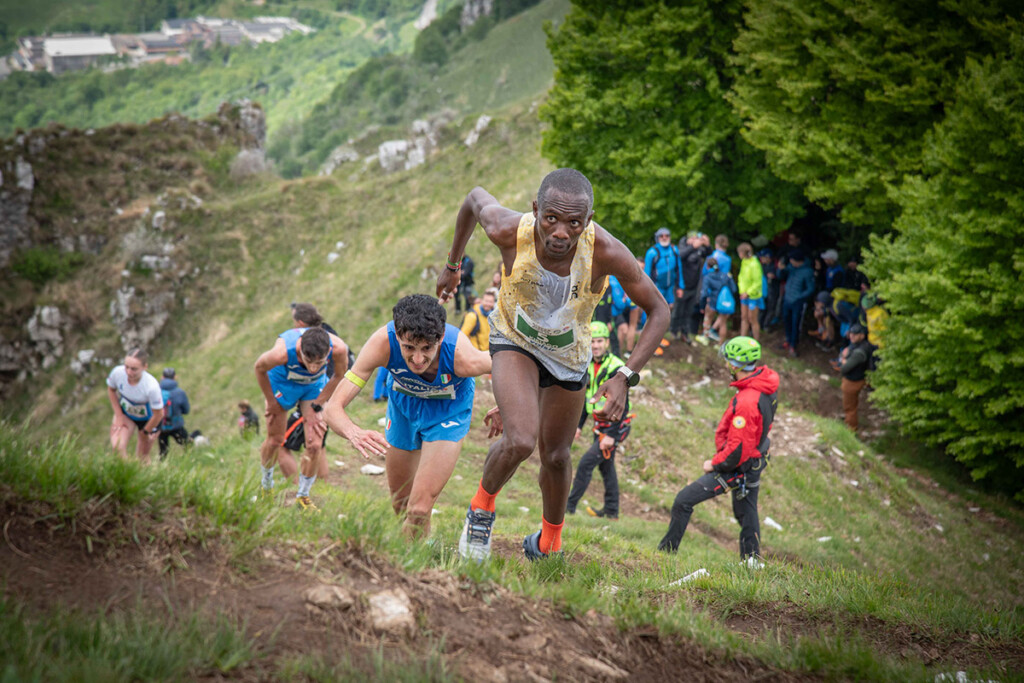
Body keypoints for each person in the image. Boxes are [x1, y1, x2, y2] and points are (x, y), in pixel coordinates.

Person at [436, 168, 670, 562]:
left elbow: (659, 310)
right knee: (521, 440)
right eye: (551, 219)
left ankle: (549, 543)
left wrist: (625, 376)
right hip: (515, 339)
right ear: (535, 210)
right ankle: (480, 512)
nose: (561, 232)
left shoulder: (605, 252)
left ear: (588, 222)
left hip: (568, 356)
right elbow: (474, 197)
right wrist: (453, 264)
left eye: (574, 223)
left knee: (557, 455)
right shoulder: (508, 230)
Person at [324, 295, 500, 538]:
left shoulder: (461, 356)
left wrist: (506, 403)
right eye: (409, 348)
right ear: (398, 336)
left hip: (447, 414)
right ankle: (417, 558)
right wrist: (354, 432)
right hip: (403, 410)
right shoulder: (382, 344)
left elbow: (510, 362)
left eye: (427, 348)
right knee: (401, 506)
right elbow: (332, 408)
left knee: (418, 509)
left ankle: (409, 568)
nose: (418, 360)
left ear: (439, 339)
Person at [658, 337, 778, 562]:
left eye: (727, 361)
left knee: (683, 501)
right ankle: (752, 564)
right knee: (746, 512)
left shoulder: (747, 401)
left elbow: (736, 450)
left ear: (735, 365)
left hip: (739, 465)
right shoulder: (765, 385)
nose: (725, 365)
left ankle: (665, 554)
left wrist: (714, 464)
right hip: (756, 457)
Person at [254, 324, 348, 511]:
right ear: (299, 349)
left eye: (319, 363)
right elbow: (259, 368)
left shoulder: (339, 349)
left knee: (314, 444)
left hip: (311, 388)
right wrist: (271, 401)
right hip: (282, 384)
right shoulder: (281, 353)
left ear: (328, 352)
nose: (313, 367)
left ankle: (303, 496)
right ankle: (266, 485)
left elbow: (340, 376)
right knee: (275, 440)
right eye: (307, 361)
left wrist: (317, 404)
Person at [566, 322, 632, 520]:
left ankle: (568, 507)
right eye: (592, 341)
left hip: (614, 425)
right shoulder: (586, 364)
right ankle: (612, 511)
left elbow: (624, 403)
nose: (595, 345)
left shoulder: (616, 367)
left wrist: (611, 435)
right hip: (599, 424)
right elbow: (589, 399)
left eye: (599, 341)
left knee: (586, 463)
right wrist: (578, 426)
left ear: (607, 342)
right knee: (606, 466)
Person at [106, 348, 164, 464]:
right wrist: (118, 416)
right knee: (117, 447)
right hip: (127, 414)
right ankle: (126, 474)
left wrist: (145, 432)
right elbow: (111, 390)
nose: (129, 372)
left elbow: (159, 414)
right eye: (126, 367)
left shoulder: (151, 386)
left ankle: (146, 479)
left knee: (142, 457)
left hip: (149, 420)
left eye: (134, 369)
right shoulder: (117, 373)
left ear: (144, 367)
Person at [673, 231, 711, 342]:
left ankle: (684, 333)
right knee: (677, 310)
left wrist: (707, 244)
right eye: (693, 238)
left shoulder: (699, 249)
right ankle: (673, 332)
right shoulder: (683, 246)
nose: (696, 240)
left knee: (688, 312)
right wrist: (692, 247)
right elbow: (680, 255)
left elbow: (708, 253)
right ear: (689, 239)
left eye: (697, 238)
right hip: (681, 286)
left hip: (694, 286)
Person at [836, 323, 873, 432]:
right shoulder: (860, 345)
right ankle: (850, 422)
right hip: (855, 378)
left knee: (850, 407)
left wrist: (842, 358)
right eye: (851, 333)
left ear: (862, 335)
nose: (852, 336)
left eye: (855, 334)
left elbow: (844, 368)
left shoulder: (859, 352)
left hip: (853, 381)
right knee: (850, 405)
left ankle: (851, 429)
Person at [781, 250, 815, 356]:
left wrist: (799, 297)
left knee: (796, 323)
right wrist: (780, 269)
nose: (790, 263)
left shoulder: (808, 271)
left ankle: (793, 345)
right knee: (786, 320)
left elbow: (810, 288)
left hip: (797, 301)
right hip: (787, 298)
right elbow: (781, 275)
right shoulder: (791, 268)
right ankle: (788, 339)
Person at [696, 257, 736, 344]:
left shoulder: (707, 277)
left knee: (708, 318)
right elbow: (734, 289)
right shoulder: (725, 275)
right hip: (723, 302)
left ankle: (705, 338)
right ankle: (720, 344)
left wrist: (702, 306)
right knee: (723, 323)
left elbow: (704, 294)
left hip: (712, 302)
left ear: (707, 267)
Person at [158, 367, 191, 459]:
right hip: (176, 425)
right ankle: (190, 461)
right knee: (188, 446)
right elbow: (186, 410)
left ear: (162, 377)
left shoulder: (157, 391)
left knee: (163, 452)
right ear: (175, 377)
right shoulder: (180, 393)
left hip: (161, 426)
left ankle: (162, 467)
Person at [645, 226, 680, 308]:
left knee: (671, 307)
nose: (664, 238)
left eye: (667, 236)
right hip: (657, 286)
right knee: (658, 308)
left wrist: (680, 287)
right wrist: (647, 289)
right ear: (657, 238)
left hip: (671, 286)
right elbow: (647, 272)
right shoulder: (652, 252)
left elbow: (679, 269)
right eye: (661, 236)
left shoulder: (674, 250)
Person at [737, 242, 764, 341]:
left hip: (753, 295)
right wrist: (742, 291)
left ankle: (756, 340)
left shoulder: (755, 264)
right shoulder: (744, 262)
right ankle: (742, 339)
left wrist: (748, 292)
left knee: (752, 318)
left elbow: (757, 282)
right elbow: (741, 277)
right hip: (744, 295)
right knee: (744, 317)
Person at [461, 287, 498, 352]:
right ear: (482, 300)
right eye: (486, 301)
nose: (488, 304)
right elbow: (462, 336)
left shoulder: (491, 316)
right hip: (475, 353)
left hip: (487, 353)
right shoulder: (473, 315)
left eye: (490, 302)